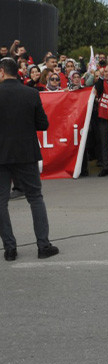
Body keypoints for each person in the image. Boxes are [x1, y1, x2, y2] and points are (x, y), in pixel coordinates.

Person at [0, 57, 59, 261]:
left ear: (1, 72)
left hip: (1, 155)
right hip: (26, 153)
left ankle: (9, 248)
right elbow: (43, 124)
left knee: (1, 202)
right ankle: (43, 245)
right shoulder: (31, 93)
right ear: (17, 72)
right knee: (35, 197)